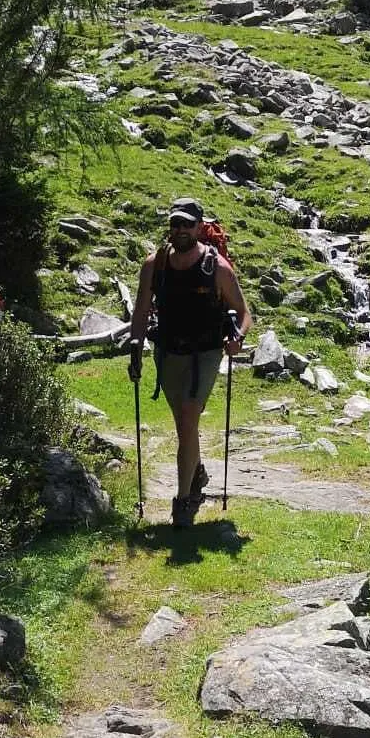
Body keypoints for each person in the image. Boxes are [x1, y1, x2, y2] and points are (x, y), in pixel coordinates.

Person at [128, 198, 252, 527]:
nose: (180, 230)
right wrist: (136, 345)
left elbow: (243, 311)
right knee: (184, 426)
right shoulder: (154, 265)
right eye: (175, 224)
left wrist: (237, 337)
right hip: (168, 351)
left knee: (188, 418)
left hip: (206, 353)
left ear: (199, 227)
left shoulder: (217, 268)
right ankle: (195, 471)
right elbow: (141, 310)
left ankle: (183, 502)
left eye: (187, 224)